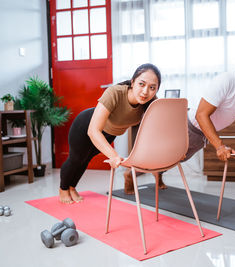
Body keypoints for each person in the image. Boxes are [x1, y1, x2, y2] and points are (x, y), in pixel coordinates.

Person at [124, 54, 235, 194]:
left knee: (176, 160)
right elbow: (201, 114)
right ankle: (130, 174)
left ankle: (158, 175)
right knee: (163, 158)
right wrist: (219, 146)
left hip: (202, 135)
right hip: (189, 126)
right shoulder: (227, 81)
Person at [59, 63, 165, 204]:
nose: (146, 91)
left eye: (152, 87)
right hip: (85, 127)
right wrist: (114, 156)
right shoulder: (115, 92)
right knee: (76, 159)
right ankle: (63, 189)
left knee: (85, 159)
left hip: (109, 134)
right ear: (132, 82)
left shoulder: (150, 103)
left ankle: (72, 187)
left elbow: (157, 130)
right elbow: (93, 130)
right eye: (141, 84)